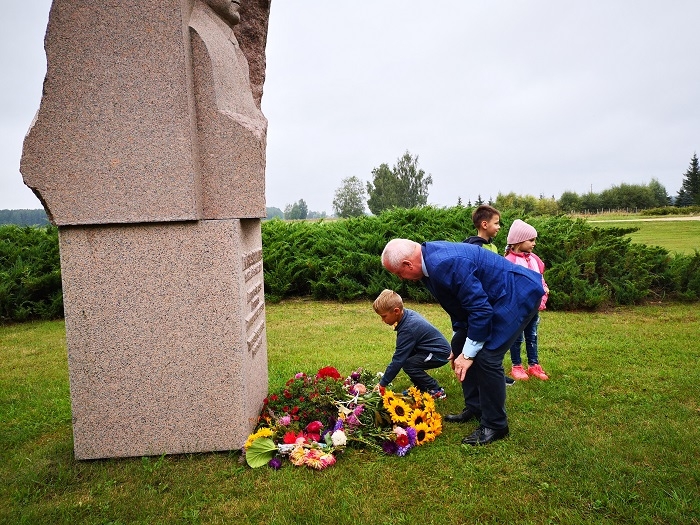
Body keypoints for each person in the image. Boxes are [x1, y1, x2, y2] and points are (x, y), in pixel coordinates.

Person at [381, 239, 544, 445]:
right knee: (459, 344)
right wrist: (460, 343)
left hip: (517, 295)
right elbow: (458, 304)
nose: (401, 278)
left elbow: (480, 310)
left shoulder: (444, 264)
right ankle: (475, 407)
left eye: (398, 273)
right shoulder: (426, 264)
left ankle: (495, 424)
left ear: (407, 264)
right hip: (493, 298)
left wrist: (467, 356)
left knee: (487, 357)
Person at [373, 289, 451, 399]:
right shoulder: (406, 315)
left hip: (439, 354)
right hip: (427, 349)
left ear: (396, 311)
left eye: (384, 316)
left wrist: (383, 383)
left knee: (409, 365)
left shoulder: (408, 328)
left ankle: (436, 390)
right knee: (407, 359)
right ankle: (420, 387)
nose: (382, 320)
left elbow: (398, 359)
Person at [504, 220, 550, 381]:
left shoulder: (535, 260)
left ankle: (533, 365)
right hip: (518, 309)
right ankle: (516, 366)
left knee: (532, 335)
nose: (534, 244)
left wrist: (544, 291)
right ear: (518, 241)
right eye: (531, 240)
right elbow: (507, 285)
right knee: (517, 337)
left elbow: (540, 279)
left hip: (533, 307)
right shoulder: (509, 261)